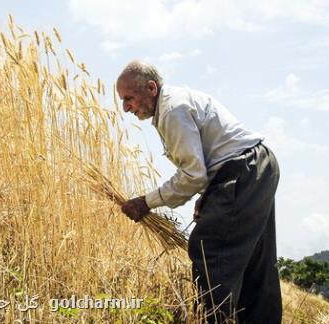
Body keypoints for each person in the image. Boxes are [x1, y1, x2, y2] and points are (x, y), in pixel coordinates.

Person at [117, 61, 281, 324]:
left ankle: (216, 320)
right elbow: (206, 166)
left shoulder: (172, 110)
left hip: (242, 171)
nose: (125, 107)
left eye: (129, 98)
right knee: (254, 261)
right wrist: (208, 197)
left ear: (151, 87)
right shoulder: (173, 104)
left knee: (210, 250)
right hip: (256, 167)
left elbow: (192, 175)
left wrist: (145, 202)